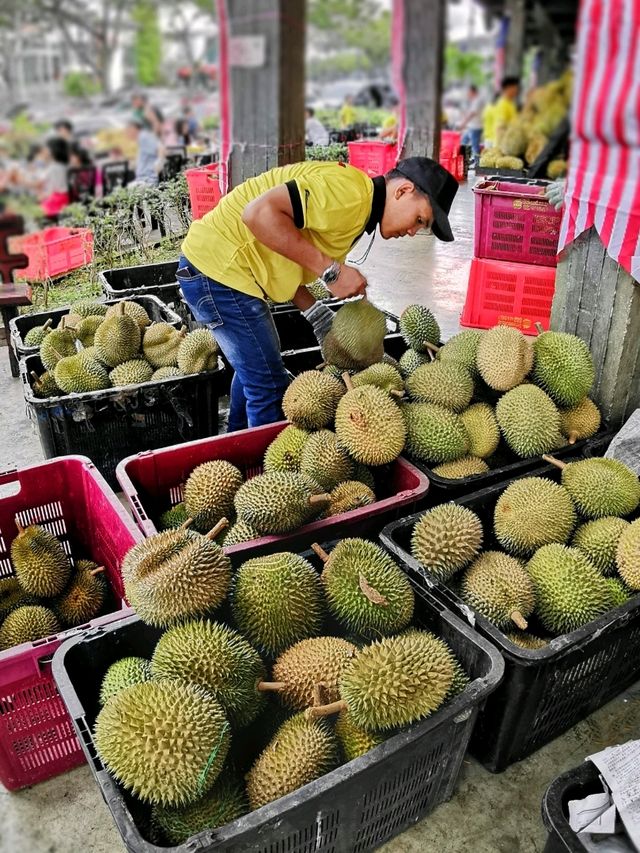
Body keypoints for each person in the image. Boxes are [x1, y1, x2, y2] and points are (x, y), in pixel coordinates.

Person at [178, 157, 458, 432]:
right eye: (419, 219)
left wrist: (315, 313)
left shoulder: (358, 207)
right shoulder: (351, 195)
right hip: (216, 270)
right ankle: (260, 473)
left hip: (227, 270)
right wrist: (331, 272)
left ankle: (236, 444)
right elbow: (258, 215)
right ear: (403, 190)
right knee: (269, 385)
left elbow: (287, 251)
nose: (412, 231)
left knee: (259, 368)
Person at [126, 117, 164, 186]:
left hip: (147, 180)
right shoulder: (141, 138)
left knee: (123, 192)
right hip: (144, 180)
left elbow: (160, 147)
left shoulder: (143, 137)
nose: (127, 133)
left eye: (128, 130)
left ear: (133, 128)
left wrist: (159, 162)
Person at [459, 84, 484, 163]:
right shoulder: (474, 101)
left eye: (468, 92)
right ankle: (464, 160)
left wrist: (464, 123)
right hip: (472, 127)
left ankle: (477, 163)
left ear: (472, 91)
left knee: (475, 146)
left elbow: (472, 113)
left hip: (476, 127)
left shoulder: (477, 100)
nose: (468, 94)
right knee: (464, 142)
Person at [493, 76, 520, 145]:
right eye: (515, 87)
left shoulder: (511, 103)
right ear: (508, 88)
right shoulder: (503, 104)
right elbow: (501, 127)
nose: (517, 90)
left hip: (511, 141)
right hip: (505, 144)